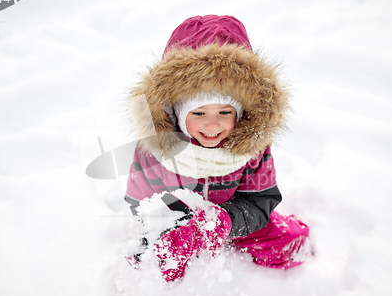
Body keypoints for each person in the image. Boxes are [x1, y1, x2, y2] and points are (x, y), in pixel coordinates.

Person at [124, 15, 310, 282]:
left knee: (291, 241)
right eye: (198, 112)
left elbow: (260, 202)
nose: (212, 125)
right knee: (150, 262)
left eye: (225, 111)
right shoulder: (157, 149)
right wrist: (175, 230)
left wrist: (224, 223)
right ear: (175, 114)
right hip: (175, 226)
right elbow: (139, 203)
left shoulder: (252, 148)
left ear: (242, 113)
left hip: (232, 220)